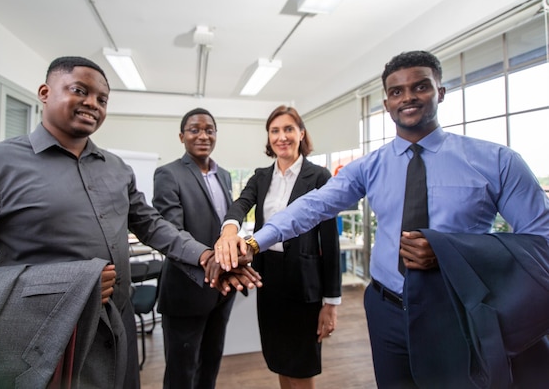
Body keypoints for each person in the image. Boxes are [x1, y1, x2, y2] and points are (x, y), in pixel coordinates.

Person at [213, 51, 549, 388]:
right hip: (387, 309)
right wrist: (255, 242)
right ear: (387, 102)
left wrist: (450, 252)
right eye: (397, 92)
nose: (409, 98)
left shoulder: (497, 161)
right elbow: (312, 207)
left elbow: (541, 243)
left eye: (421, 87)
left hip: (458, 310)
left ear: (441, 92)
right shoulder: (370, 167)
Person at [0, 56, 248, 388]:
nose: (92, 103)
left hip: (117, 338)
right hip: (38, 349)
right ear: (45, 92)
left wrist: (206, 256)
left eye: (102, 99)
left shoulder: (117, 169)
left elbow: (152, 225)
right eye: (79, 90)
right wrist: (66, 284)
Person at [213, 105, 341, 389]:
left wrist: (331, 303)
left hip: (305, 282)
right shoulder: (261, 176)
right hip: (268, 278)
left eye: (288, 129)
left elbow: (330, 243)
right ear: (268, 137)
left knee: (302, 363)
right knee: (279, 358)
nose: (281, 137)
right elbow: (241, 204)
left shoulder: (319, 177)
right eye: (275, 131)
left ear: (301, 134)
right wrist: (230, 228)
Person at [153, 108, 255, 388]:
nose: (203, 135)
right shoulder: (168, 174)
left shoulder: (223, 175)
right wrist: (210, 263)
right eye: (195, 129)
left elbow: (227, 225)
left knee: (210, 365)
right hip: (186, 290)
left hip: (221, 292)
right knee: (181, 373)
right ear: (182, 136)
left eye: (209, 129)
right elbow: (171, 233)